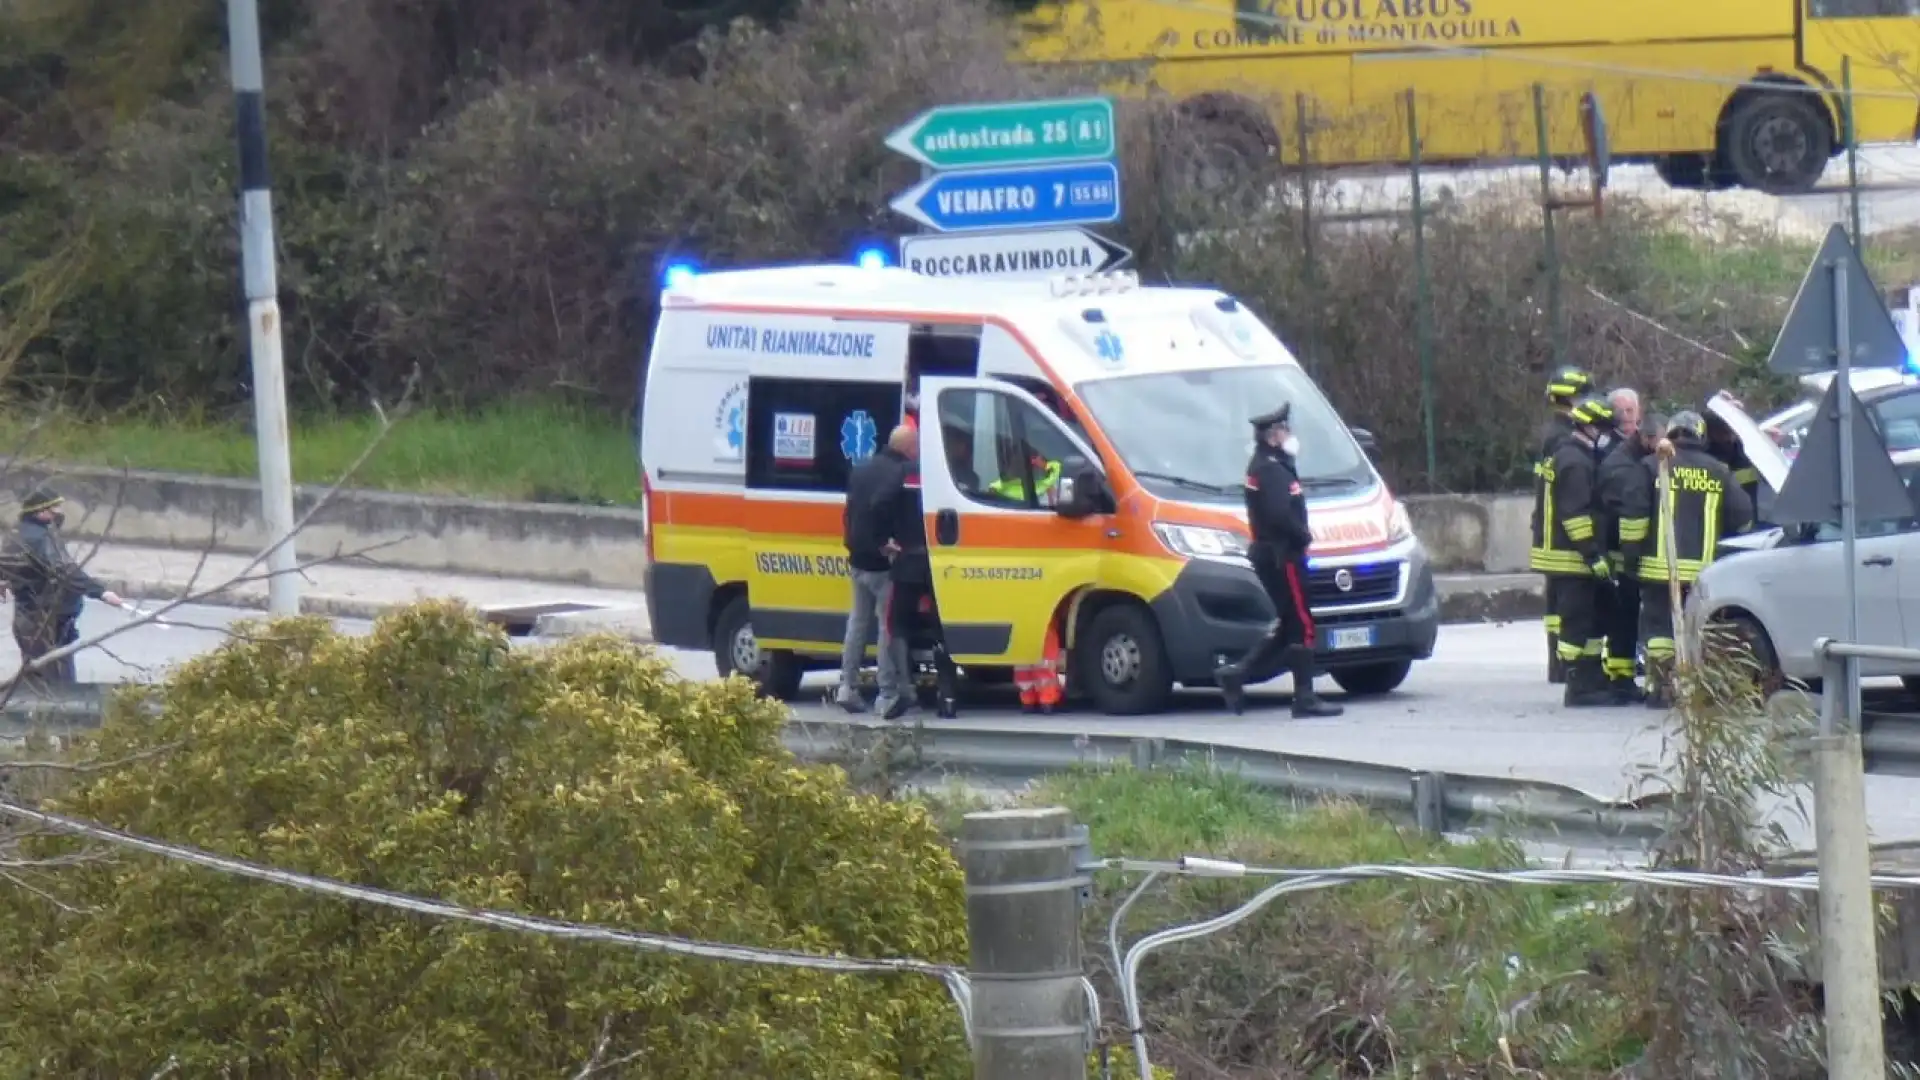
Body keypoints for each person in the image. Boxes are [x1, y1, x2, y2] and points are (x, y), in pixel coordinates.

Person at [1213, 403, 1344, 719]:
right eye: (1285, 429)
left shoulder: (1269, 463)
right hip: (1281, 554)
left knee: (1288, 625)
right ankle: (1304, 698)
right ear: (1273, 435)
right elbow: (1278, 514)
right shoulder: (1270, 468)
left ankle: (1237, 674)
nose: (1289, 434)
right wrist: (1303, 536)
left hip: (1274, 553)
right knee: (1302, 623)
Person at [1629, 411, 1754, 709]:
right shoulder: (1718, 470)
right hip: (1704, 571)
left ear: (1670, 434)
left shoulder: (1651, 466)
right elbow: (1743, 517)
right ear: (1701, 436)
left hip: (1660, 568)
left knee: (1659, 632)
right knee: (1702, 628)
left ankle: (1662, 688)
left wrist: (1631, 557)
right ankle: (1706, 689)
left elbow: (1633, 516)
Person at [1537, 397, 1620, 707]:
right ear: (1586, 426)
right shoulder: (1575, 461)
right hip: (1572, 558)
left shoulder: (1574, 455)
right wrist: (1592, 555)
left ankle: (1590, 677)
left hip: (1571, 556)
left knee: (1592, 618)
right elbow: (1575, 515)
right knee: (1578, 621)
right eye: (1602, 428)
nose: (1606, 434)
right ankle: (1578, 685)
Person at [1, 487, 124, 686]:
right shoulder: (40, 538)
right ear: (40, 511)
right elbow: (65, 571)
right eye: (55, 508)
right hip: (46, 621)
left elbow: (8, 563)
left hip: (33, 620)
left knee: (37, 676)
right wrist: (101, 592)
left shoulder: (21, 533)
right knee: (56, 682)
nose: (59, 512)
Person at [835, 425, 914, 715]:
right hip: (882, 565)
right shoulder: (899, 473)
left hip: (857, 558)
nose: (916, 452)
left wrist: (854, 543)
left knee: (856, 624)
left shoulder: (861, 469)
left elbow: (850, 511)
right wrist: (885, 543)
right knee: (886, 627)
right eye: (915, 446)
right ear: (906, 447)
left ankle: (847, 686)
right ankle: (886, 693)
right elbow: (880, 505)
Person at [984, 437, 1067, 712]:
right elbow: (1058, 467)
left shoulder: (995, 490)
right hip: (1041, 569)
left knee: (1020, 636)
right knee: (1044, 636)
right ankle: (1047, 696)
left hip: (1009, 572)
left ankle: (1028, 697)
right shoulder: (1045, 486)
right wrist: (1046, 460)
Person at [884, 425, 959, 720]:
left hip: (907, 560)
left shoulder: (903, 474)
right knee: (942, 628)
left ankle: (907, 691)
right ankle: (948, 697)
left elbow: (880, 505)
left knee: (898, 625)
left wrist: (885, 540)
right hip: (939, 562)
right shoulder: (946, 473)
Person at [1532, 365, 1595, 686]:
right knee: (1568, 608)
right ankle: (1566, 668)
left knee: (1555, 608)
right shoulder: (1566, 440)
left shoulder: (1550, 434)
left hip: (1547, 535)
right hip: (1563, 539)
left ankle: (1556, 666)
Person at [1596, 407, 1664, 704]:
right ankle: (1621, 680)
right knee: (1625, 618)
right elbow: (1630, 515)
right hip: (1624, 555)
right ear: (1647, 438)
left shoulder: (1633, 460)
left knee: (1631, 618)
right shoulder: (1623, 467)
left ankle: (1623, 676)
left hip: (1631, 553)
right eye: (1662, 441)